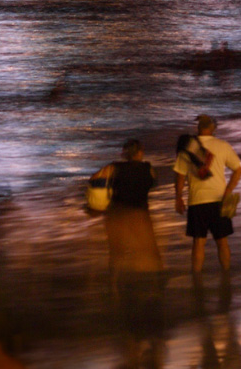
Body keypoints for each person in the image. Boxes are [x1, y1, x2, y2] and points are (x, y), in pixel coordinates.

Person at [93, 139, 164, 367]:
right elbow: (152, 183)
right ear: (140, 152)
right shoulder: (148, 169)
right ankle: (154, 298)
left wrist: (94, 205)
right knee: (151, 259)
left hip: (118, 219)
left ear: (124, 154)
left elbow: (94, 182)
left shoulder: (112, 168)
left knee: (116, 255)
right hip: (142, 220)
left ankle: (113, 288)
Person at [174, 115, 241, 274]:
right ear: (214, 129)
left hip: (197, 201)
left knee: (199, 243)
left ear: (198, 128)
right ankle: (226, 276)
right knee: (222, 242)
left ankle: (196, 279)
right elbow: (239, 170)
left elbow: (180, 175)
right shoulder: (223, 146)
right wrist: (228, 192)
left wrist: (178, 197)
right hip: (219, 200)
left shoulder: (188, 147)